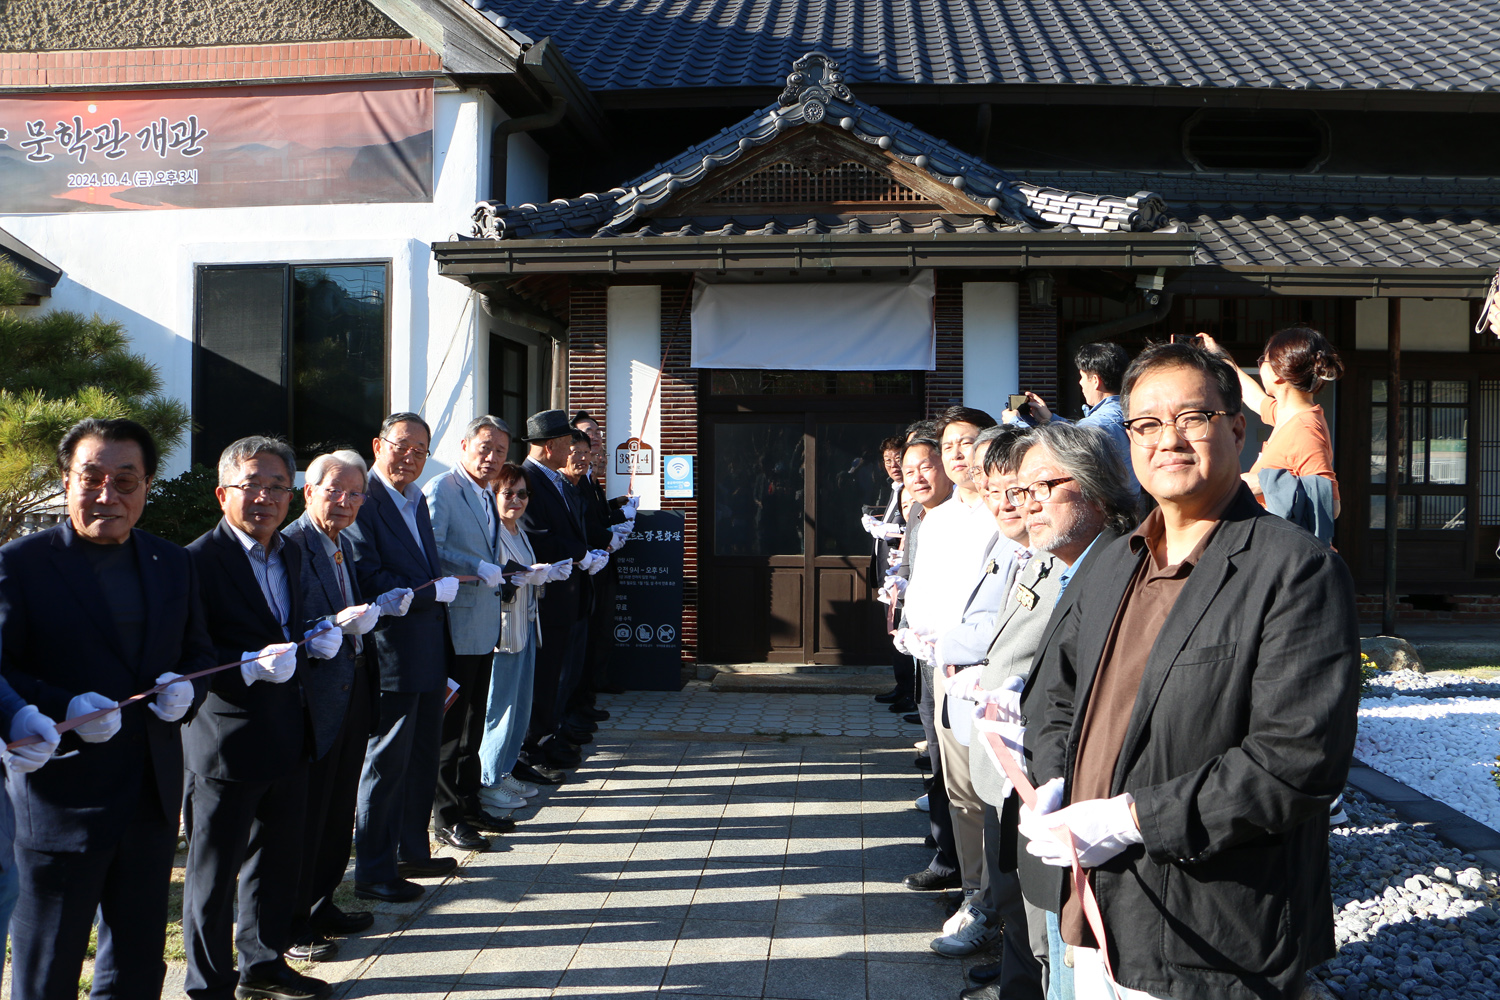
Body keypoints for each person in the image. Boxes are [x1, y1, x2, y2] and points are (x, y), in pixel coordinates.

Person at [1024, 342, 1360, 1000]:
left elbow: (1296, 760)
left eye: (1192, 418)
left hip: (1213, 928)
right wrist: (1053, 782)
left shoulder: (1294, 568)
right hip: (1095, 908)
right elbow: (1051, 695)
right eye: (1145, 423)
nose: (1167, 439)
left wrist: (1130, 818)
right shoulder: (1113, 559)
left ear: (1238, 428)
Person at [0, 417, 212, 1000]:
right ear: (65, 480)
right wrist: (61, 703)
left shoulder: (172, 561)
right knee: (48, 965)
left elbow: (197, 650)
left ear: (146, 485)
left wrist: (184, 690)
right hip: (60, 796)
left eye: (126, 480)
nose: (107, 495)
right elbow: (2, 669)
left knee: (139, 960)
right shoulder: (19, 563)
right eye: (91, 478)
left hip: (149, 791)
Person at [952, 422, 1137, 1000]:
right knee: (1042, 950)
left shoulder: (1117, 568)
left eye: (1039, 488)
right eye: (1012, 490)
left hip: (1083, 823)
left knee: (1062, 965)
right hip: (1044, 804)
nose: (1021, 503)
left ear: (1095, 487)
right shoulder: (1071, 562)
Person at [182, 436, 342, 1000]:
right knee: (213, 872)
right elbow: (187, 658)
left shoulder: (292, 551)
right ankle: (206, 983)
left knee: (276, 860)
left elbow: (288, 626)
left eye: (278, 486)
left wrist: (315, 636)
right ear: (224, 491)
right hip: (225, 739)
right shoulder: (197, 561)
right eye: (253, 485)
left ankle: (264, 962)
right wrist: (244, 668)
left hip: (287, 730)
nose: (267, 497)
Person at [282, 450, 403, 963]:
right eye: (335, 491)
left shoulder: (340, 544)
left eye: (356, 494)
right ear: (309, 491)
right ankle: (292, 924)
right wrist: (325, 628)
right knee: (306, 816)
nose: (347, 503)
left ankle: (323, 901)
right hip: (312, 702)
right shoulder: (292, 544)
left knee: (337, 811)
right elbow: (285, 624)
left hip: (353, 689)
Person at [345, 413, 465, 897]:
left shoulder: (416, 498)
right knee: (385, 762)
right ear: (378, 444)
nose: (411, 457)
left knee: (421, 757)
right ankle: (373, 870)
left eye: (421, 449)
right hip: (391, 650)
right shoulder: (361, 498)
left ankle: (412, 851)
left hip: (429, 647)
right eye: (402, 446)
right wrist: (426, 591)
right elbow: (364, 575)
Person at [922, 426, 1027, 962]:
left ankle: (995, 916)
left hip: (999, 693)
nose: (997, 493)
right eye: (989, 480)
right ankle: (979, 901)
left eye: (1010, 482)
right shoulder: (949, 519)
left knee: (1001, 813)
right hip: (957, 674)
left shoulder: (1033, 538)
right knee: (968, 795)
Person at [914, 406, 999, 906]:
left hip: (988, 666)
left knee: (992, 789)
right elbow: (924, 588)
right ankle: (973, 890)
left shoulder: (1003, 511)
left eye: (965, 442)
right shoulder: (936, 516)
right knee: (960, 788)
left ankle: (996, 896)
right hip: (940, 665)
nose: (955, 454)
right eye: (947, 446)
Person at [425, 416, 521, 829]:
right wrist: (477, 566)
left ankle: (469, 804)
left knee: (473, 726)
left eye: (500, 450)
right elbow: (433, 550)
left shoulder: (486, 494)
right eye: (484, 447)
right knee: (451, 729)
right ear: (463, 446)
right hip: (456, 624)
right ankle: (446, 817)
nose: (491, 457)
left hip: (484, 625)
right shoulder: (443, 489)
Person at [1201, 328, 1343, 535]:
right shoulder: (1286, 414)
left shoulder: (1305, 429)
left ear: (1277, 373)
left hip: (1288, 553)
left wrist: (1264, 483)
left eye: (1262, 361)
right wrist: (1220, 357)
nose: (1260, 367)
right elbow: (1254, 398)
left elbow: (1331, 504)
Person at [519, 409, 590, 770]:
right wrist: (581, 553)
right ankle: (531, 745)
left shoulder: (553, 479)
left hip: (566, 594)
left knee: (557, 675)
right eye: (567, 442)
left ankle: (548, 733)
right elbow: (536, 534)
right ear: (550, 446)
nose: (573, 448)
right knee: (543, 677)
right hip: (545, 597)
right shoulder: (527, 479)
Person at [476, 463, 549, 811]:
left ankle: (504, 771)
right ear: (493, 494)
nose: (516, 500)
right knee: (499, 708)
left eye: (523, 494)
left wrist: (543, 576)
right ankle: (487, 779)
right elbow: (483, 582)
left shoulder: (520, 531)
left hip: (526, 627)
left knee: (520, 707)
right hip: (502, 633)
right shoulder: (489, 532)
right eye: (509, 493)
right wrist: (512, 581)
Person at [1006, 343, 1137, 493]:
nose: (1080, 383)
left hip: (1105, 510)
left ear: (1095, 380)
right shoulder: (1129, 413)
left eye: (1081, 377)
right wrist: (1049, 419)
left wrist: (1014, 422)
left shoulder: (1097, 424)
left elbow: (1051, 451)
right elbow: (1080, 433)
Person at [870, 434, 913, 713]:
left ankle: (912, 693)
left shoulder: (911, 490)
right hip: (888, 573)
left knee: (904, 631)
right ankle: (902, 686)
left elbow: (912, 529)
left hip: (903, 574)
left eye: (897, 458)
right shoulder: (894, 489)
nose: (892, 464)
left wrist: (891, 532)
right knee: (893, 630)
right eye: (887, 460)